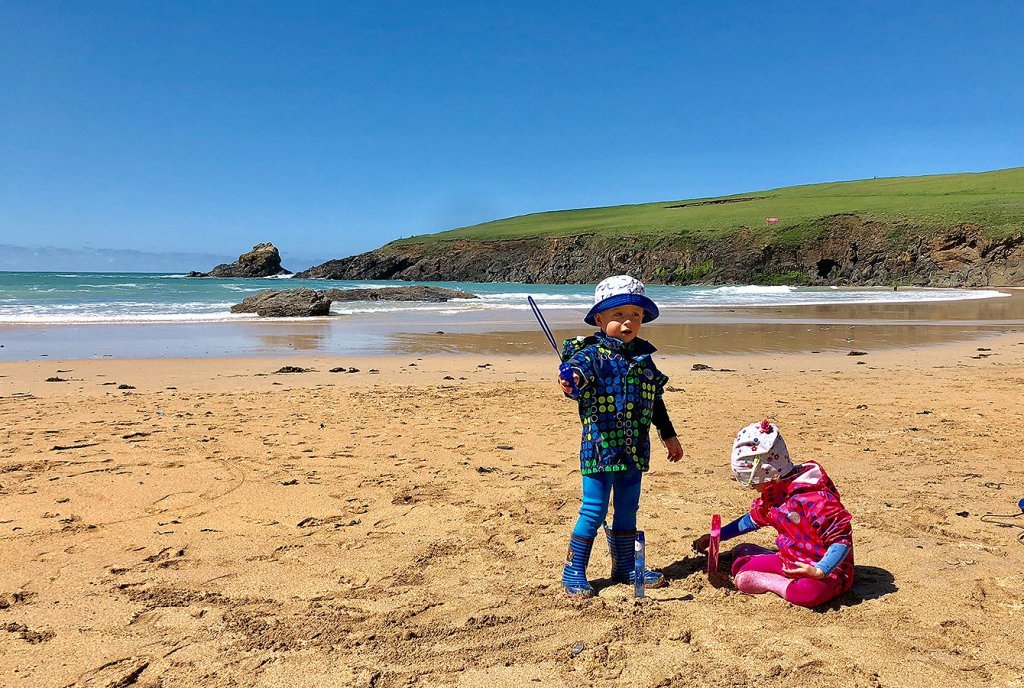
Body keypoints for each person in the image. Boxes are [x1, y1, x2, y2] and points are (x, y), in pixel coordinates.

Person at [558, 275, 684, 598]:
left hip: (634, 450)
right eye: (618, 315)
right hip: (599, 450)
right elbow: (576, 379)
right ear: (600, 319)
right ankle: (574, 571)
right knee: (594, 509)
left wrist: (668, 436)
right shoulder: (592, 354)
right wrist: (569, 381)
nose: (627, 322)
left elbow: (655, 401)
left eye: (635, 316)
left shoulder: (644, 359)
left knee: (628, 508)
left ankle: (626, 566)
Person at [693, 420, 854, 607]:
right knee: (739, 566)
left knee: (807, 593)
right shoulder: (774, 493)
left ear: (766, 472)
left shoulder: (816, 499)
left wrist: (820, 571)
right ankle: (764, 556)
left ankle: (773, 583)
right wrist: (718, 536)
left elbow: (841, 540)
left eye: (751, 482)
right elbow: (750, 521)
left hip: (828, 570)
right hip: (791, 558)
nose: (752, 487)